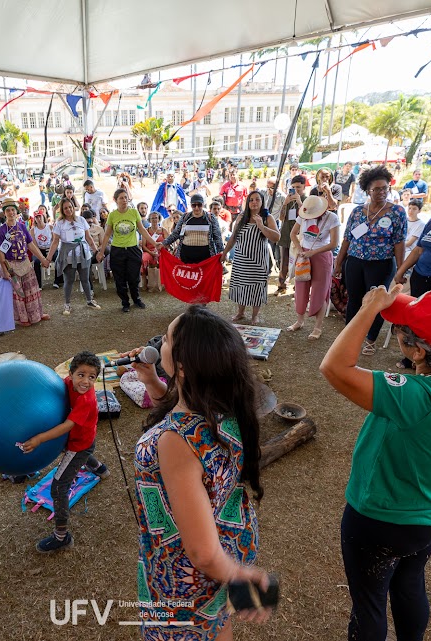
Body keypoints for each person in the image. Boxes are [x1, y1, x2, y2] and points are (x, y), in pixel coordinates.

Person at [320, 285, 431, 641]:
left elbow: (334, 367)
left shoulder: (416, 396)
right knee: (409, 582)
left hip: (380, 519)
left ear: (417, 351)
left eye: (402, 332)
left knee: (369, 603)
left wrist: (368, 310)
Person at [129, 305, 271, 637]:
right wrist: (152, 381)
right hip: (229, 537)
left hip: (186, 570)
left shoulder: (175, 442)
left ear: (181, 366)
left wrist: (238, 575)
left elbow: (202, 553)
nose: (159, 343)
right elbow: (188, 422)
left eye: (164, 339)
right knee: (215, 618)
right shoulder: (224, 404)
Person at [21, 351, 109, 552]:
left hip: (78, 445)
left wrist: (39, 439)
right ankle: (100, 469)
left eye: (92, 377)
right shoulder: (66, 384)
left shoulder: (86, 400)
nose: (86, 381)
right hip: (81, 440)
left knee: (59, 488)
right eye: (81, 374)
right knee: (81, 453)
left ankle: (62, 537)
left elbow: (68, 425)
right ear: (70, 373)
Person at [334, 165, 407, 355]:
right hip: (355, 262)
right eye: (376, 189)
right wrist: (338, 262)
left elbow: (399, 242)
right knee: (354, 300)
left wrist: (400, 269)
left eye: (385, 188)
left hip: (381, 264)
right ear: (368, 190)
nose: (381, 192)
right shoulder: (358, 212)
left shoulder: (397, 212)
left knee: (375, 302)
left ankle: (370, 339)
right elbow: (347, 239)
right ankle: (349, 335)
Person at [224, 190, 281, 324]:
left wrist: (261, 226)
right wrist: (224, 253)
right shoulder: (241, 217)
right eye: (251, 200)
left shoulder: (267, 218)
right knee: (240, 285)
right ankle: (240, 312)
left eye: (257, 200)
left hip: (257, 260)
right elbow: (233, 237)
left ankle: (255, 315)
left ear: (262, 202)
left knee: (256, 287)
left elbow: (276, 237)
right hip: (240, 259)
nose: (254, 202)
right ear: (247, 202)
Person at [97, 189, 158, 313]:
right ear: (115, 200)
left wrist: (155, 243)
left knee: (134, 277)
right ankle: (125, 302)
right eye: (121, 198)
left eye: (125, 197)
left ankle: (137, 299)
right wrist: (101, 251)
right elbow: (107, 234)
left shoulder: (134, 212)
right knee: (119, 278)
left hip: (133, 250)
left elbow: (142, 230)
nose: (124, 200)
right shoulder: (113, 215)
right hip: (117, 250)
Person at [288, 196, 340, 340]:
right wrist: (299, 249)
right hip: (304, 255)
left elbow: (334, 243)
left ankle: (318, 327)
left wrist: (314, 252)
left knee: (320, 291)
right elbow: (293, 233)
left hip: (322, 257)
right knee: (300, 288)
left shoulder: (332, 217)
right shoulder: (304, 215)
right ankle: (299, 321)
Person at [0, 197, 51, 327]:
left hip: (25, 262)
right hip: (11, 265)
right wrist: (4, 269)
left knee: (32, 289)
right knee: (18, 292)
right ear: (4, 213)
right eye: (8, 210)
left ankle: (36, 314)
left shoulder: (22, 226)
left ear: (17, 212)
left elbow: (30, 244)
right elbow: (0, 252)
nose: (11, 213)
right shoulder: (1, 230)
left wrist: (43, 259)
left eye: (13, 210)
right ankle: (23, 318)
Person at [45, 198, 100, 315]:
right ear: (62, 210)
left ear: (73, 207)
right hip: (68, 255)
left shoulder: (81, 220)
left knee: (85, 279)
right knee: (68, 280)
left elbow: (88, 237)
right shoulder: (59, 224)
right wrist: (48, 258)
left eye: (70, 207)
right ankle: (67, 304)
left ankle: (89, 300)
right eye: (65, 208)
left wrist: (96, 251)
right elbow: (55, 242)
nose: (68, 209)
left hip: (83, 253)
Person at [30, 207, 54, 288]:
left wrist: (49, 254)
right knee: (36, 262)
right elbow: (34, 245)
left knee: (58, 258)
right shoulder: (33, 230)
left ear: (43, 216)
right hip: (39, 250)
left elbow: (54, 241)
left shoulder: (50, 227)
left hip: (50, 249)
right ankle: (39, 284)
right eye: (36, 217)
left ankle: (58, 281)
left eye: (40, 216)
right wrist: (42, 257)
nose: (39, 218)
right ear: (35, 219)